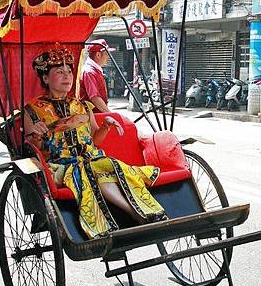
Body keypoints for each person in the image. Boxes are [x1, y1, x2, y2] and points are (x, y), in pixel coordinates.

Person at [24, 47, 167, 239]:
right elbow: (33, 149)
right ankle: (135, 214)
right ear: (46, 78)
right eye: (59, 72)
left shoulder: (82, 106)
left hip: (91, 159)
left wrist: (105, 127)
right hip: (60, 166)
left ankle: (144, 213)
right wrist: (38, 134)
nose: (67, 76)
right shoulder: (32, 110)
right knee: (89, 169)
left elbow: (94, 140)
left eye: (69, 72)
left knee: (110, 164)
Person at [78, 38, 115, 113]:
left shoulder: (95, 70)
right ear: (98, 55)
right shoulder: (89, 72)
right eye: (106, 54)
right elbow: (95, 98)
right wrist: (109, 114)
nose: (107, 57)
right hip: (92, 116)